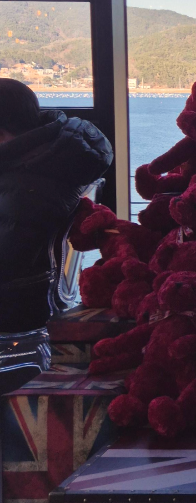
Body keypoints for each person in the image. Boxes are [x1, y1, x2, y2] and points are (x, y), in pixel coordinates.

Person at [0, 80, 113, 336]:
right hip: (35, 297)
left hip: (16, 309)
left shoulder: (26, 190)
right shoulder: (50, 160)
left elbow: (7, 263)